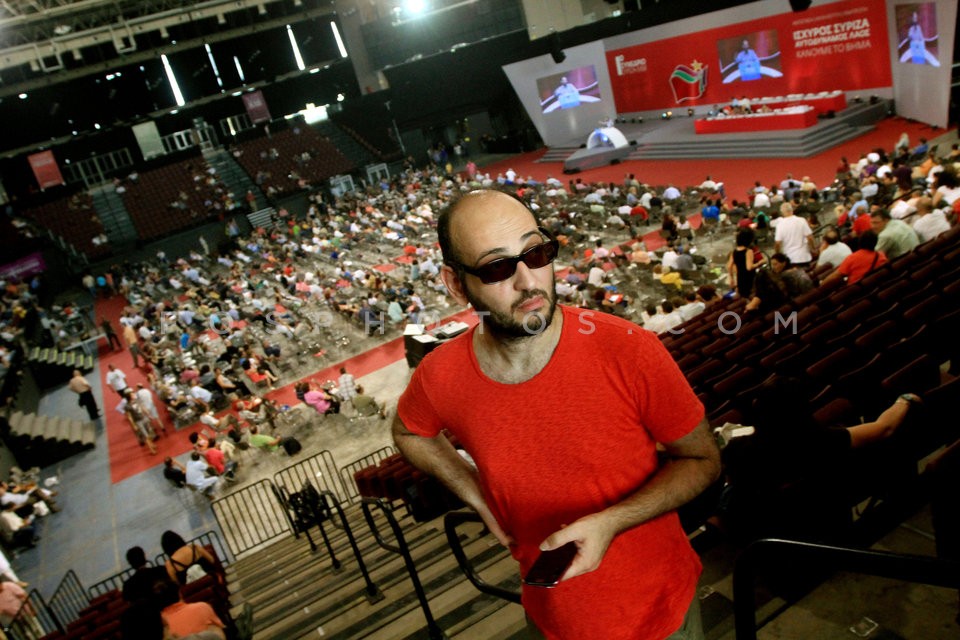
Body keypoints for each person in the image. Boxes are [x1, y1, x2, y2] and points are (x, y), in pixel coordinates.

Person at [393, 190, 720, 639]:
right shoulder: (440, 375)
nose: (529, 281)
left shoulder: (628, 348)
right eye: (496, 267)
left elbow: (703, 460)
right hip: (550, 618)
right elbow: (409, 432)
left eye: (536, 252)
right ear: (455, 283)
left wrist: (613, 521)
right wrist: (476, 494)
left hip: (661, 613)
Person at [821, 231, 888, 286]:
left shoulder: (852, 258)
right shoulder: (881, 256)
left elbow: (836, 275)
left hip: (856, 289)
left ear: (860, 241)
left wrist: (822, 283)